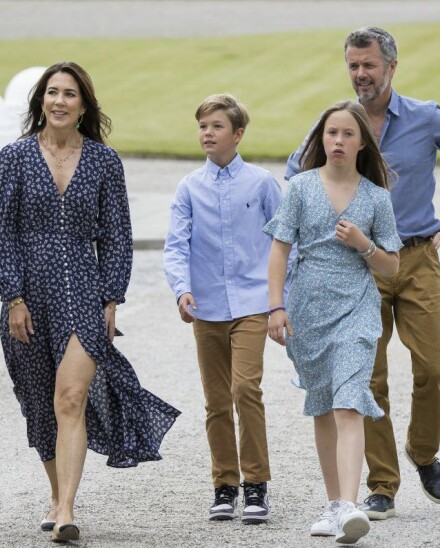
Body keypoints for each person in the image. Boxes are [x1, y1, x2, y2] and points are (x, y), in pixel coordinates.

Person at [285, 27, 440, 520]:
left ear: (391, 67)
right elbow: (295, 175)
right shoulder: (336, 123)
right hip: (358, 266)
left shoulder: (425, 117)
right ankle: (382, 483)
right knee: (367, 378)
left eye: (369, 65)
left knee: (434, 364)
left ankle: (422, 451)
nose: (361, 74)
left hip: (418, 256)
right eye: (353, 65)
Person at [0, 61, 180, 542]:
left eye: (69, 94)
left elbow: (117, 235)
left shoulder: (103, 162)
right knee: (41, 405)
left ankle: (67, 510)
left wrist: (112, 297)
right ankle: (56, 495)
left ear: (83, 105)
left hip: (82, 294)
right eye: (51, 92)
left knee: (70, 397)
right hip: (27, 296)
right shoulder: (13, 158)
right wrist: (12, 295)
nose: (59, 101)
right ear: (40, 101)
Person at [266, 100, 401, 544]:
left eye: (347, 134)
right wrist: (276, 307)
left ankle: (347, 505)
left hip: (357, 311)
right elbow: (280, 250)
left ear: (362, 142)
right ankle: (334, 504)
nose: (338, 141)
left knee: (348, 403)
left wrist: (364, 244)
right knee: (323, 407)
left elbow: (392, 267)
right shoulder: (301, 188)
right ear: (320, 140)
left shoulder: (377, 198)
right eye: (331, 134)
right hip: (307, 310)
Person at [163, 94, 280, 524]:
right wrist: (181, 289)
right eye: (202, 126)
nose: (207, 133)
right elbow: (175, 245)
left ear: (238, 134)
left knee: (245, 390)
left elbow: (286, 243)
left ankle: (256, 485)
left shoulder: (263, 183)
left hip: (253, 303)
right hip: (206, 306)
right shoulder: (189, 187)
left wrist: (280, 301)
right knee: (215, 401)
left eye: (216, 126)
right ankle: (224, 485)